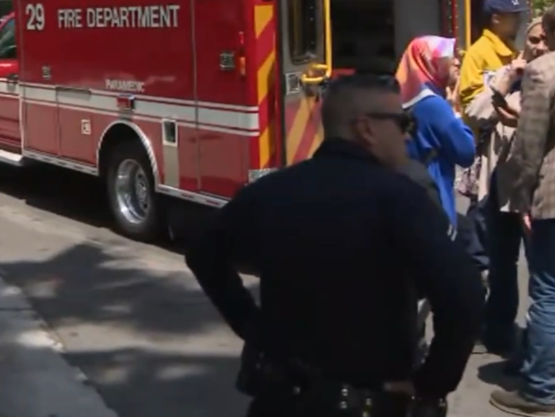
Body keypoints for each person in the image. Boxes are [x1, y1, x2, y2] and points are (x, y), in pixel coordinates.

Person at [185, 74, 484, 417]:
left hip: (281, 401)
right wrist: (433, 382)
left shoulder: (272, 191)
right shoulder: (401, 198)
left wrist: (252, 327)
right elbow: (465, 296)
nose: (408, 134)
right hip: (370, 401)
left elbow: (203, 251)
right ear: (366, 128)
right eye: (403, 122)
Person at [490, 0, 555, 415]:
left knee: (549, 293)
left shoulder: (545, 70)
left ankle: (539, 390)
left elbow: (529, 147)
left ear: (554, 32)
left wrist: (520, 196)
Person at [463, 17, 547, 356]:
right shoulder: (508, 73)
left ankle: (535, 349)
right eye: (534, 39)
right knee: (501, 264)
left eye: (545, 39)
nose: (538, 46)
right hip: (499, 185)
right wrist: (508, 77)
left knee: (544, 274)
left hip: (538, 191)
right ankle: (499, 331)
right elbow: (474, 111)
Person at [397, 36, 477, 229]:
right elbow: (466, 152)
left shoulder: (407, 97)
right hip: (435, 200)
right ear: (430, 62)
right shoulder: (433, 105)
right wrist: (455, 112)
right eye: (449, 56)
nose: (457, 61)